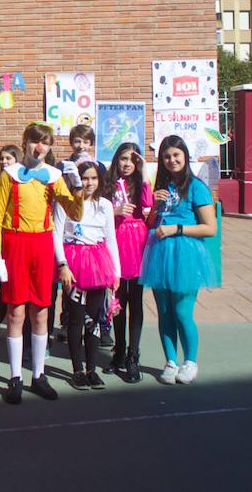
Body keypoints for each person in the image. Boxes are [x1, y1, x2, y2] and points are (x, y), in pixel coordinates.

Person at [0, 121, 83, 404]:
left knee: (41, 313)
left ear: (50, 147)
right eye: (34, 140)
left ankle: (39, 375)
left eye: (44, 142)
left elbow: (75, 213)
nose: (38, 146)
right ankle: (15, 376)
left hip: (42, 245)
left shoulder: (54, 175)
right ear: (25, 142)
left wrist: (76, 186)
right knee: (16, 313)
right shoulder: (9, 174)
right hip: (15, 244)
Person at [141, 135, 219, 385]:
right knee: (164, 312)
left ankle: (190, 361)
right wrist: (154, 206)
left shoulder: (197, 187)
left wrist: (177, 229)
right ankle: (171, 361)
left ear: (185, 156)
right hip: (160, 254)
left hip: (185, 254)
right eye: (166, 156)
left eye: (176, 155)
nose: (171, 160)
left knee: (182, 312)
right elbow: (151, 223)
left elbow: (210, 228)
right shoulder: (161, 187)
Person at [54, 161, 120, 390]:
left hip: (98, 266)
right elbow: (57, 234)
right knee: (76, 320)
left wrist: (116, 273)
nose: (89, 183)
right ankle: (77, 370)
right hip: (74, 266)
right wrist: (63, 265)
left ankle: (91, 369)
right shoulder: (65, 204)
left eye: (93, 178)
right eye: (84, 178)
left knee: (94, 320)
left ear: (99, 180)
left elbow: (110, 239)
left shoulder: (105, 206)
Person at [103, 142, 153, 382]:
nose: (127, 164)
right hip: (116, 242)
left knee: (136, 299)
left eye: (132, 160)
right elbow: (97, 210)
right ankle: (119, 350)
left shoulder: (139, 183)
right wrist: (114, 211)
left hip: (138, 242)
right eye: (123, 158)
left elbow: (147, 206)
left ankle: (134, 355)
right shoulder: (108, 184)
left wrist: (144, 176)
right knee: (118, 299)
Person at [0, 144, 22, 335]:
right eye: (2, 158)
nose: (4, 162)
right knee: (4, 282)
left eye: (8, 158)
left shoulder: (18, 180)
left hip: (12, 235)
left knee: (9, 284)